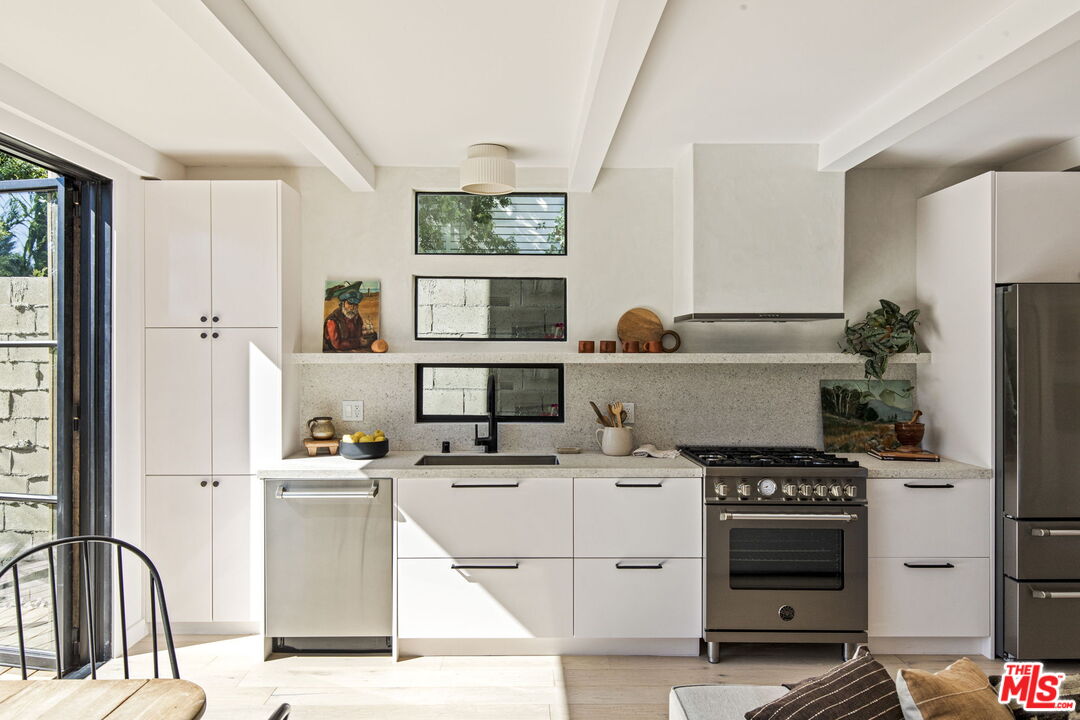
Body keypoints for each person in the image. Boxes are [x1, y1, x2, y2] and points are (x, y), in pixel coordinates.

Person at [323, 282, 376, 351]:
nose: (352, 307)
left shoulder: (357, 318)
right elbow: (337, 345)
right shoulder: (332, 320)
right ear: (343, 303)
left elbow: (359, 336)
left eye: (355, 304)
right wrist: (359, 342)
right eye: (350, 303)